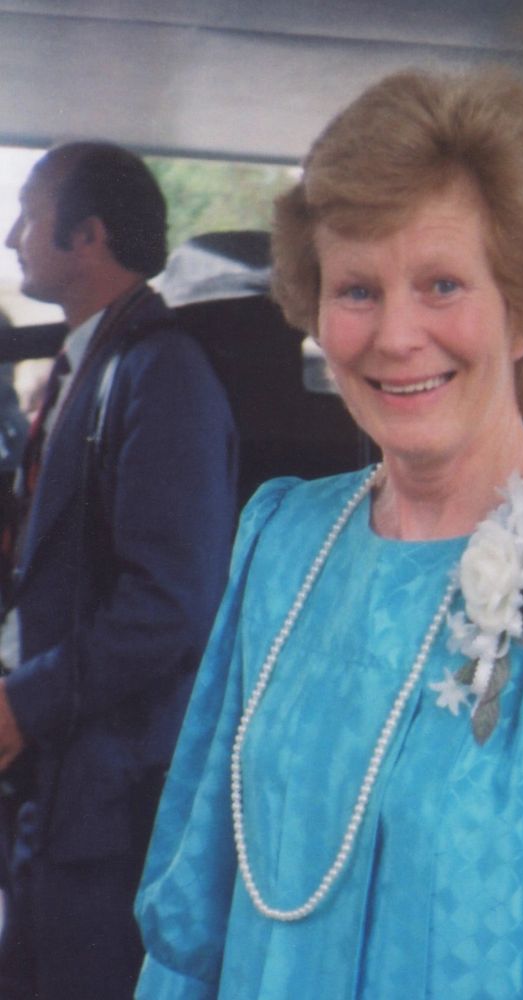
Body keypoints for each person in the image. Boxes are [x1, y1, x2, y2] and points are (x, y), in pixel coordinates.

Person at [136, 68, 523, 998]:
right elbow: (193, 915)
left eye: (442, 284)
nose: (396, 335)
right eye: (357, 290)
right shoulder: (282, 539)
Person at [0, 142, 238, 1000]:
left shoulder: (160, 372)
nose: (13, 236)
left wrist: (23, 704)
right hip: (56, 790)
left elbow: (169, 605)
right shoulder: (91, 365)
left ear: (89, 235)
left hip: (111, 803)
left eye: (29, 214)